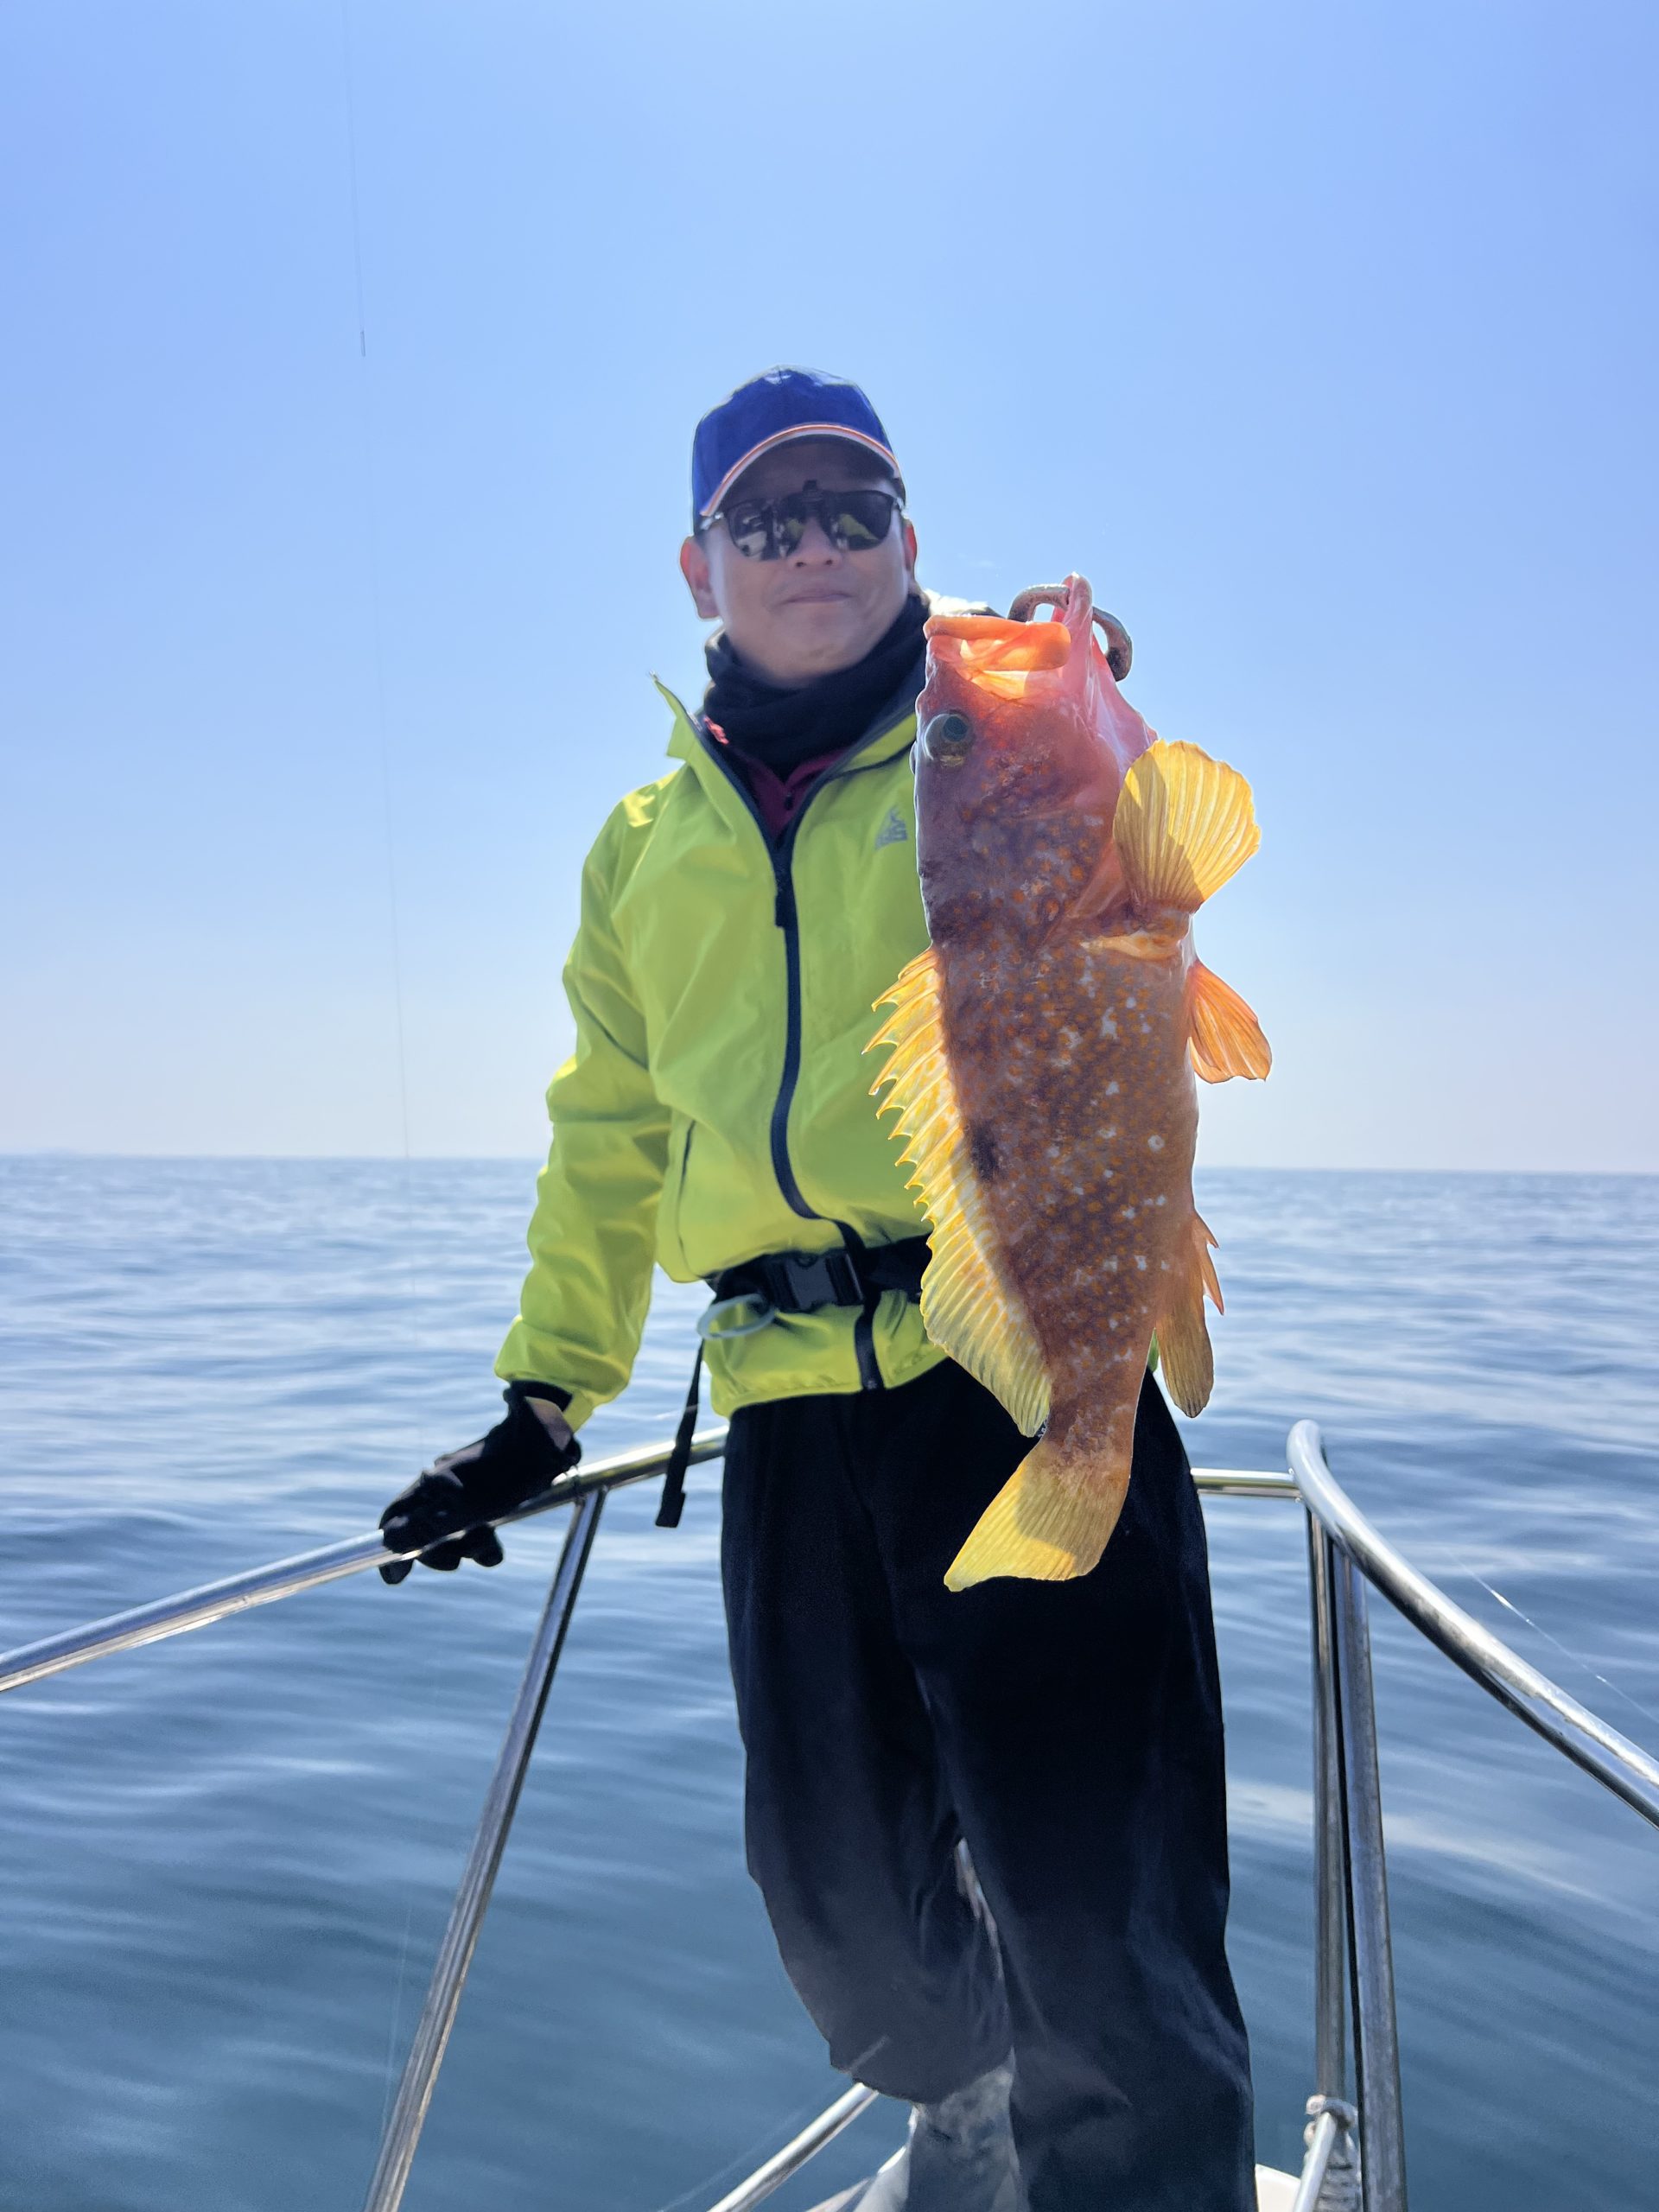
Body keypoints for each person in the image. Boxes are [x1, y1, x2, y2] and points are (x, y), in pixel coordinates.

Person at [378, 367, 1255, 2212]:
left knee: (1105, 1913)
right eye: (766, 518)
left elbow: (1127, 831)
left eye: (852, 510)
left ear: (909, 544)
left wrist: (1065, 681)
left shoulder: (983, 736)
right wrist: (542, 1399)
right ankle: (968, 2094)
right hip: (783, 1406)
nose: (812, 546)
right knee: (837, 1902)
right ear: (699, 568)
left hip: (1017, 1353)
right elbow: (610, 1130)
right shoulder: (641, 846)